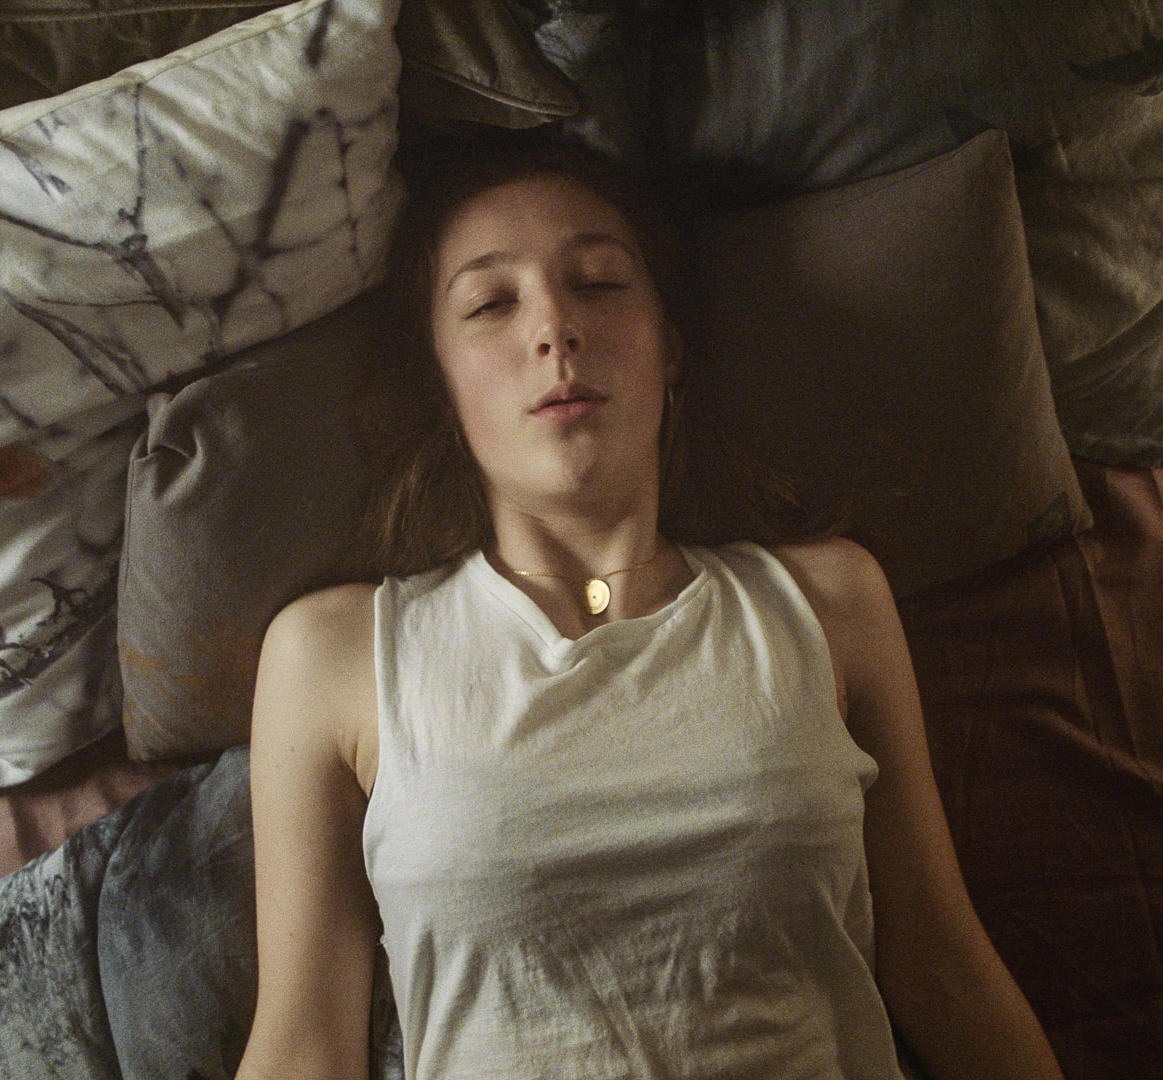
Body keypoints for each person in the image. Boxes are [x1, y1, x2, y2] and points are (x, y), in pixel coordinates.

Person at [235, 134, 1064, 1080]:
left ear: (669, 347)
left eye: (597, 283)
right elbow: (303, 1042)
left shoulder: (830, 601)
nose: (555, 328)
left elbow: (942, 967)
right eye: (492, 303)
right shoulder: (335, 655)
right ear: (439, 381)